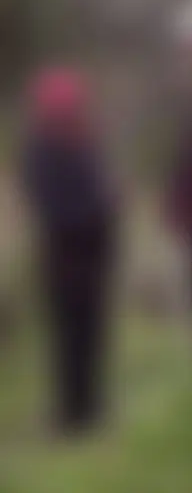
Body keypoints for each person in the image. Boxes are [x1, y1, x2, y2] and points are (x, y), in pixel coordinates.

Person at [20, 66, 119, 435]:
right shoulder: (40, 153)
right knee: (68, 335)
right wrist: (97, 211)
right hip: (63, 257)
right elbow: (59, 208)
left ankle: (89, 408)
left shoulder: (84, 144)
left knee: (90, 333)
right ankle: (69, 413)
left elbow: (103, 195)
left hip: (92, 256)